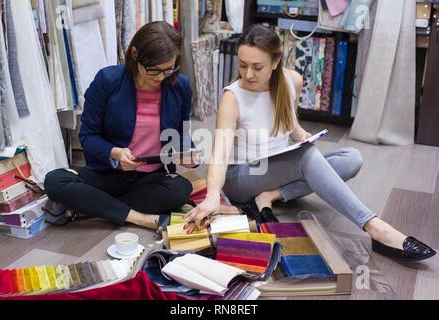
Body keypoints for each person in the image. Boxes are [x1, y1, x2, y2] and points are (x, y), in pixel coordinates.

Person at [183, 24, 435, 262]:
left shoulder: (291, 81)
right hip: (243, 175)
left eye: (257, 67)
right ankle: (376, 227)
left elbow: (289, 123)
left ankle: (271, 195)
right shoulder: (233, 97)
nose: (248, 74)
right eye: (243, 65)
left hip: (280, 165)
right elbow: (219, 154)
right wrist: (213, 194)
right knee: (307, 157)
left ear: (275, 62)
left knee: (352, 159)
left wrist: (301, 134)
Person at [44, 21, 198, 230]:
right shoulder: (108, 80)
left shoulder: (180, 86)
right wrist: (115, 152)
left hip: (150, 178)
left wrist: (189, 153)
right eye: (154, 70)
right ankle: (139, 218)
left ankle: (91, 207)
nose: (161, 77)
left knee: (181, 189)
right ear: (135, 54)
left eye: (169, 70)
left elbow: (182, 133)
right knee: (55, 180)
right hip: (108, 174)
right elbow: (88, 136)